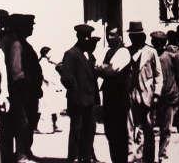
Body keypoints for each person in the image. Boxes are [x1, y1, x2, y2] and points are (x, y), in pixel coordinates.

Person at [60, 24, 101, 163]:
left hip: (90, 99)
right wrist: (76, 91)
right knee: (77, 129)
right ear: (78, 37)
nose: (87, 40)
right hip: (77, 100)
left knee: (90, 129)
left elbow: (92, 76)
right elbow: (66, 77)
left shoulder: (89, 54)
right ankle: (74, 157)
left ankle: (87, 156)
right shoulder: (71, 54)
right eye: (84, 37)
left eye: (88, 37)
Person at [7, 13, 43, 163]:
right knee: (23, 123)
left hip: (30, 93)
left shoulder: (24, 44)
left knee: (29, 122)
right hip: (23, 93)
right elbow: (17, 71)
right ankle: (21, 154)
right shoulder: (17, 45)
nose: (32, 28)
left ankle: (27, 151)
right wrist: (29, 85)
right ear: (22, 27)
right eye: (30, 25)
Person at [126, 21, 163, 163]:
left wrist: (156, 94)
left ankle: (144, 155)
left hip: (146, 94)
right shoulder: (127, 51)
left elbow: (158, 75)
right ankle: (131, 155)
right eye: (131, 36)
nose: (133, 38)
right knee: (129, 126)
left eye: (136, 36)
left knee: (145, 126)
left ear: (142, 36)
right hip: (130, 93)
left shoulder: (151, 51)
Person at [96, 27, 131, 163]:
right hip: (109, 98)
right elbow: (104, 68)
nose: (109, 38)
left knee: (119, 133)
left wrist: (100, 68)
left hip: (119, 99)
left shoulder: (123, 52)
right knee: (110, 132)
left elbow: (111, 70)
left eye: (112, 35)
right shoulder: (109, 52)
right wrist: (102, 68)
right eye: (108, 35)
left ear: (120, 37)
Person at [151, 31, 179, 163]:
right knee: (150, 129)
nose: (157, 44)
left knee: (166, 129)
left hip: (168, 97)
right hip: (154, 97)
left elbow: (178, 74)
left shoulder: (171, 57)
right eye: (155, 42)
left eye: (160, 42)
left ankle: (162, 155)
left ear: (164, 43)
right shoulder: (150, 56)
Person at [0, 9, 12, 163]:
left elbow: (4, 75)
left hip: (2, 96)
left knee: (6, 133)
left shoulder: (3, 47)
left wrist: (5, 95)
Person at [38, 46, 64, 134]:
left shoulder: (49, 63)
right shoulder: (43, 63)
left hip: (50, 88)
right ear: (46, 53)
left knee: (52, 107)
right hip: (46, 87)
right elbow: (46, 76)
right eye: (50, 52)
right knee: (46, 108)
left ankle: (54, 125)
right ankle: (44, 127)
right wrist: (54, 82)